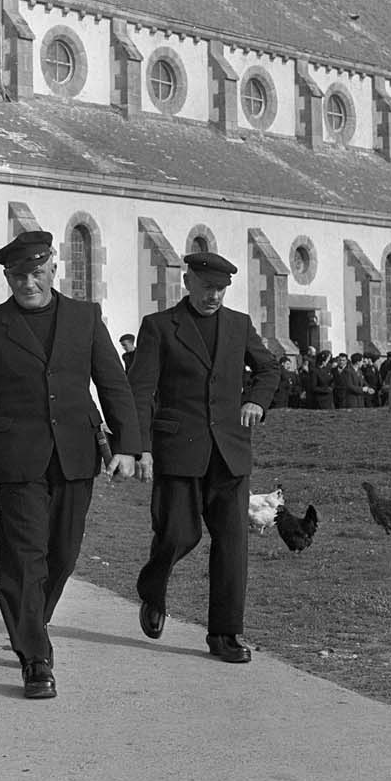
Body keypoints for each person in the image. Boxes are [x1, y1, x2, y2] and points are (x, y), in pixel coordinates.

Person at [0, 230, 142, 701]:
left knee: (62, 556)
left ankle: (30, 623)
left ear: (52, 270)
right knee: (24, 557)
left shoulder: (85, 318)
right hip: (19, 457)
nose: (28, 283)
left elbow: (113, 382)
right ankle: (35, 657)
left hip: (74, 455)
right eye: (17, 276)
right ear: (8, 277)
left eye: (35, 273)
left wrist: (127, 445)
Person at [128, 251, 280, 664]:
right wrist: (139, 446)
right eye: (208, 287)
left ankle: (225, 633)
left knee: (233, 544)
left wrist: (257, 403)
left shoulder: (238, 325)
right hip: (179, 450)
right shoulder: (159, 327)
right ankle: (152, 587)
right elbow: (140, 391)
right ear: (188, 282)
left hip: (230, 452)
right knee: (179, 534)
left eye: (222, 289)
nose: (215, 295)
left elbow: (269, 370)